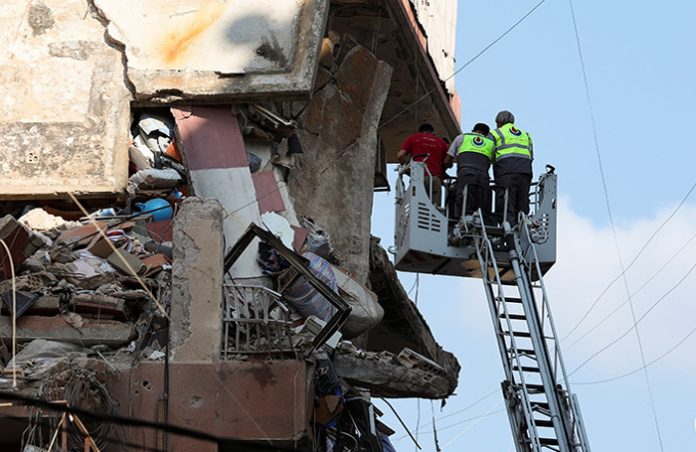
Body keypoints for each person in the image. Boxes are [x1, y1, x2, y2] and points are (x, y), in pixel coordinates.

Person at [444, 123, 494, 222]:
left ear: (473, 130)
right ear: (487, 134)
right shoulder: (491, 143)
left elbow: (447, 160)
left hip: (466, 174)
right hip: (483, 177)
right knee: (481, 199)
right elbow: (492, 162)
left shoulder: (461, 137)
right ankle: (479, 219)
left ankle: (465, 218)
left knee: (463, 196)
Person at [491, 110, 533, 226]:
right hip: (525, 172)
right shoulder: (526, 135)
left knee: (506, 202)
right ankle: (522, 227)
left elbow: (489, 155)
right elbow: (531, 155)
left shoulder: (496, 133)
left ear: (499, 122)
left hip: (506, 171)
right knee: (522, 202)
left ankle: (509, 229)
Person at [397, 123, 450, 206]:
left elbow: (400, 155)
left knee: (417, 208)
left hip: (418, 178)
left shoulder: (414, 138)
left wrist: (408, 167)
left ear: (420, 132)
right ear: (433, 133)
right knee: (435, 210)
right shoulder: (441, 143)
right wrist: (442, 171)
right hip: (435, 179)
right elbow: (447, 161)